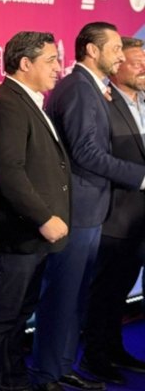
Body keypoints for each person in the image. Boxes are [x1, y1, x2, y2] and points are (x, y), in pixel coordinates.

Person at [38, 23, 145, 390]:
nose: (120, 56)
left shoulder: (91, 89)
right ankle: (52, 371)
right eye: (116, 49)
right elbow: (86, 152)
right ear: (92, 50)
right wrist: (141, 177)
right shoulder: (80, 89)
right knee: (67, 297)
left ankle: (62, 367)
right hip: (86, 209)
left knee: (77, 297)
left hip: (99, 210)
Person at [0, 31, 71, 391]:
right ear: (25, 63)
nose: (59, 67)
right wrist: (43, 217)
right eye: (51, 60)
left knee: (16, 317)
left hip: (31, 239)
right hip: (16, 237)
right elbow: (8, 171)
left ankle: (13, 380)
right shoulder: (7, 104)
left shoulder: (27, 101)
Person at [80, 36, 145, 385]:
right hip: (114, 215)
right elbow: (94, 156)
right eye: (136, 62)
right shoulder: (103, 102)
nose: (143, 68)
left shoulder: (143, 101)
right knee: (103, 294)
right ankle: (95, 357)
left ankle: (115, 349)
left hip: (139, 220)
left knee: (121, 292)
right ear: (117, 68)